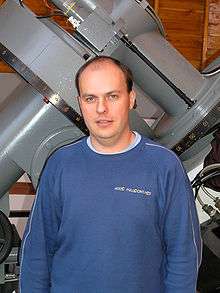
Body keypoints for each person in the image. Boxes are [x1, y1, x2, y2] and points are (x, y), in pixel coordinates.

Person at [20, 56, 202, 293]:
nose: (101, 108)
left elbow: (184, 255)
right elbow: (37, 252)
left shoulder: (164, 166)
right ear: (80, 103)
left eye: (112, 96)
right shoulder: (60, 165)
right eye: (90, 98)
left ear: (131, 99)